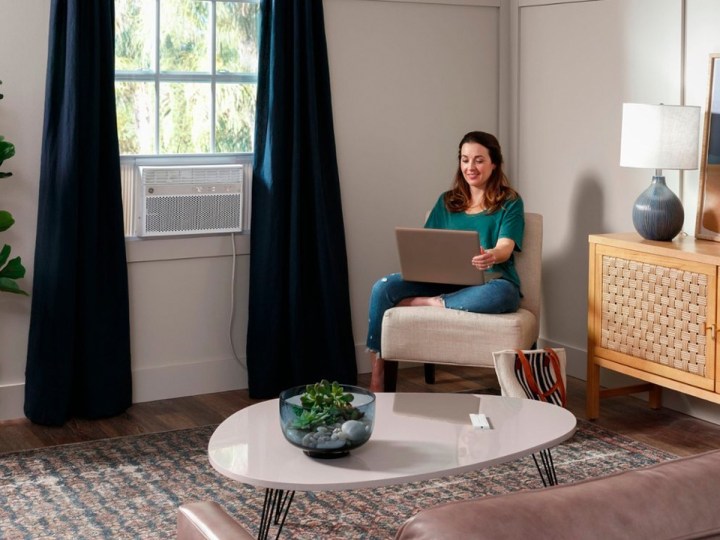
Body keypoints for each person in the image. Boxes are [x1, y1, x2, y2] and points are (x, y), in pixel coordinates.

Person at [366, 131, 524, 392]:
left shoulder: (509, 202)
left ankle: (429, 304)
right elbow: (427, 245)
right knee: (383, 287)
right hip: (441, 281)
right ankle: (378, 376)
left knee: (505, 294)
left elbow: (505, 247)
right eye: (465, 160)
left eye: (479, 160)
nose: (470, 167)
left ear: (494, 163)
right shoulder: (447, 201)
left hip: (488, 284)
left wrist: (491, 255)